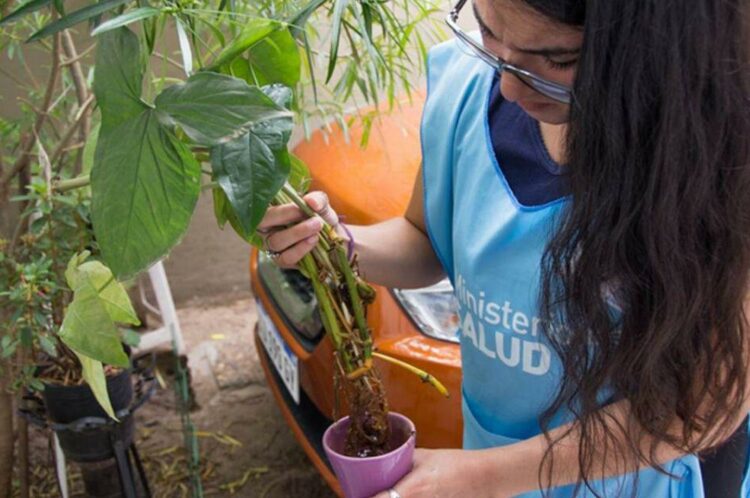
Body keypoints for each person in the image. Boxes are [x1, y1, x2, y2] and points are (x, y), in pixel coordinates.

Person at [257, 0, 750, 496]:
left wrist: (485, 476)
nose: (510, 87)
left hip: (638, 475)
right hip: (494, 460)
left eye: (557, 60)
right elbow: (423, 240)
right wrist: (338, 243)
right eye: (489, 35)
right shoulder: (466, 91)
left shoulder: (718, 159)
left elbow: (705, 407)